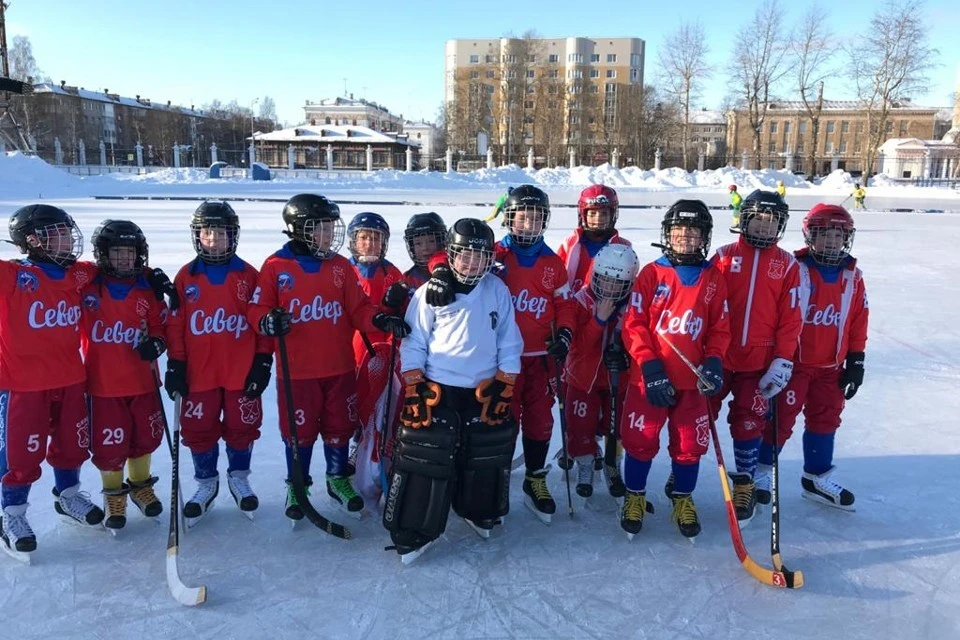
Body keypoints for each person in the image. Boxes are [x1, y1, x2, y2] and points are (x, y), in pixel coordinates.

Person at [247, 194, 409, 522]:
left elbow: (358, 308)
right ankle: (297, 485)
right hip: (298, 372)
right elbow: (256, 307)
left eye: (329, 227)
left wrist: (377, 319)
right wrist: (266, 320)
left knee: (339, 426)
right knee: (299, 432)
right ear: (298, 230)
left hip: (339, 367)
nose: (328, 234)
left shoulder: (339, 267)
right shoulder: (276, 267)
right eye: (320, 228)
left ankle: (337, 478)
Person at [383, 218, 523, 563]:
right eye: (466, 255)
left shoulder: (496, 290)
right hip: (437, 387)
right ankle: (417, 527)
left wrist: (506, 381)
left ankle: (478, 508)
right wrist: (414, 383)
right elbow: (415, 341)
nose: (473, 263)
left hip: (484, 389)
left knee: (484, 451)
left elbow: (508, 340)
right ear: (452, 254)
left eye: (481, 256)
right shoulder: (428, 292)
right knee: (427, 454)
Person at [618, 200, 730, 539]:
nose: (684, 238)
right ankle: (634, 495)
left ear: (704, 237)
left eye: (692, 233)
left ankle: (682, 498)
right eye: (678, 231)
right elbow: (634, 324)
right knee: (639, 440)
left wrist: (713, 361)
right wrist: (650, 366)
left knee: (689, 445)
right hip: (649, 381)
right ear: (667, 234)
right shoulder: (653, 274)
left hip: (692, 384)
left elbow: (719, 329)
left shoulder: (714, 278)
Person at [0, 205, 104, 558]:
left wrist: (150, 277)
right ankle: (12, 514)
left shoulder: (77, 274)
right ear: (33, 240)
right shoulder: (13, 275)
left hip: (70, 378)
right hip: (22, 385)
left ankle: (68, 496)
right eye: (58, 232)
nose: (68, 239)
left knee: (72, 445)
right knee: (19, 455)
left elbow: (110, 270)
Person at [164, 202, 271, 525]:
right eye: (207, 233)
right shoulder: (185, 277)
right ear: (197, 236)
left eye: (220, 233)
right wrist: (176, 364)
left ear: (232, 236)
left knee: (242, 428)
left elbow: (262, 320)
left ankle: (239, 478)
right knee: (198, 429)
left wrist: (263, 361)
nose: (213, 240)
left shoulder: (249, 276)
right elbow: (175, 324)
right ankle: (206, 483)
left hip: (240, 371)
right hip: (200, 374)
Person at [759, 204, 867, 511]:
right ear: (810, 236)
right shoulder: (795, 269)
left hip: (831, 368)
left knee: (826, 420)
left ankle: (816, 477)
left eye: (838, 235)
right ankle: (762, 472)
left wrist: (856, 361)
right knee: (780, 420)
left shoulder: (853, 277)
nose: (831, 241)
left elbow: (859, 319)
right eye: (824, 235)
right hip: (795, 365)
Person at [708, 189, 803, 524]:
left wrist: (783, 359)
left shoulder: (787, 264)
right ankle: (683, 471)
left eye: (771, 221)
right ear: (744, 219)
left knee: (749, 421)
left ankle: (745, 481)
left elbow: (791, 317)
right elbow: (705, 305)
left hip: (758, 363)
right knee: (697, 414)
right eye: (758, 219)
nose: (764, 227)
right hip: (719, 356)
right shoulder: (722, 256)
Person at [81, 220, 168, 532]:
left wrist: (157, 342)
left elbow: (160, 325)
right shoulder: (88, 287)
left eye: (130, 253)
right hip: (103, 384)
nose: (124, 259)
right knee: (109, 444)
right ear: (103, 255)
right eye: (117, 252)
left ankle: (141, 485)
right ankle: (114, 495)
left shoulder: (147, 287)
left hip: (143, 381)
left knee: (144, 436)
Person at [562, 244, 640, 499]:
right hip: (583, 379)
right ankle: (585, 464)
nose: (609, 288)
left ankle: (612, 463)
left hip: (618, 381)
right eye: (604, 280)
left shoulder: (633, 307)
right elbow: (578, 347)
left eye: (617, 284)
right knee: (579, 425)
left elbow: (639, 340)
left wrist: (626, 356)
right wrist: (598, 320)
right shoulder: (582, 301)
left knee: (615, 427)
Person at [557, 184, 632, 292]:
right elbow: (555, 279)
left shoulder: (623, 247)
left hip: (605, 307)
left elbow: (628, 288)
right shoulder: (569, 244)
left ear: (613, 215)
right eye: (592, 213)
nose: (598, 219)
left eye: (604, 213)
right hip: (570, 305)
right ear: (583, 215)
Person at [401, 212, 447, 290]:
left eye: (431, 241)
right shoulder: (408, 279)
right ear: (412, 248)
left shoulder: (453, 270)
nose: (425, 248)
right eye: (418, 243)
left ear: (442, 242)